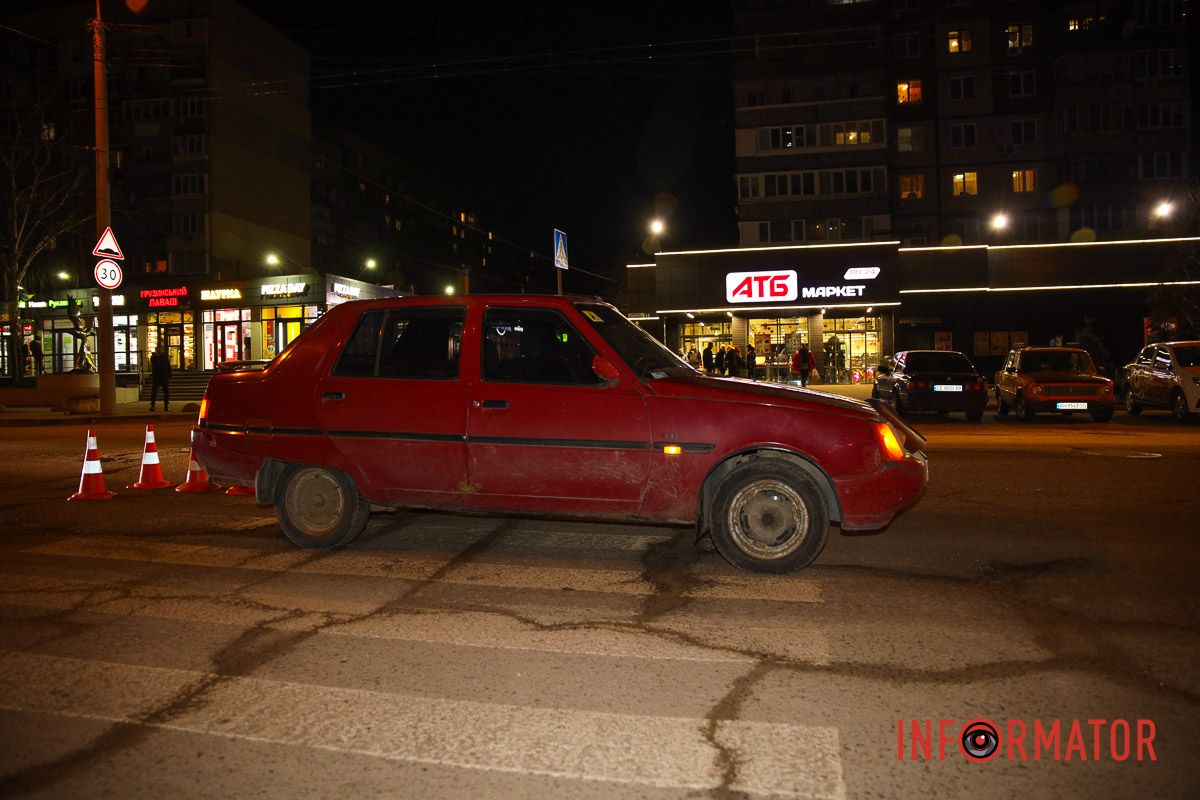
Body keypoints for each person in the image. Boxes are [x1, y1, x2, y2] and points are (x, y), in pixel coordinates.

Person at [150, 345, 172, 412]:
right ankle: (153, 405)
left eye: (160, 350)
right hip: (158, 376)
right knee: (154, 392)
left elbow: (168, 366)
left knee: (165, 392)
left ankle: (166, 405)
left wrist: (169, 374)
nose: (159, 351)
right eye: (158, 350)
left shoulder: (164, 357)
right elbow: (154, 365)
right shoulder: (154, 357)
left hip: (163, 376)